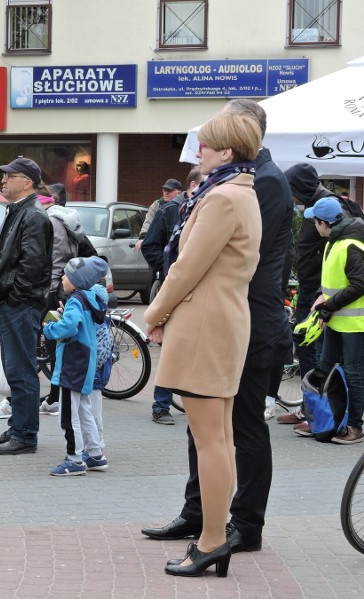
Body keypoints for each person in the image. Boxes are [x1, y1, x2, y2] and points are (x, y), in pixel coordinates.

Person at [142, 98, 294, 560]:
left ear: (230, 147)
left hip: (225, 320)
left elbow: (192, 266)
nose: (197, 150)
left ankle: (229, 532)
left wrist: (153, 315)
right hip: (227, 318)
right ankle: (208, 524)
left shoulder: (237, 191)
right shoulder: (242, 185)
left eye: (206, 142)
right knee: (215, 434)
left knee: (228, 434)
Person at [278, 163, 360, 428]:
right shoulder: (319, 205)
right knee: (314, 353)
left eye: (292, 189)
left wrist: (325, 298)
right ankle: (315, 410)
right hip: (317, 291)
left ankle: (326, 413)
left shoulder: (330, 208)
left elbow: (351, 269)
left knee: (319, 353)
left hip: (326, 298)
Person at [0, 157, 53, 455]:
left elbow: (32, 266)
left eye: (9, 176)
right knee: (15, 370)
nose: (3, 181)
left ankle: (25, 435)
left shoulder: (33, 216)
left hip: (20, 305)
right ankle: (18, 427)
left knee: (22, 371)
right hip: (14, 304)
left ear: (27, 182)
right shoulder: (21, 211)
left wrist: (12, 297)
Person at [140, 167, 203, 425]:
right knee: (171, 348)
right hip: (174, 288)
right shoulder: (169, 211)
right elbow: (150, 246)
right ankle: (161, 406)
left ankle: (194, 401)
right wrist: (170, 270)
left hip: (200, 291)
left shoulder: (209, 211)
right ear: (191, 186)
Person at [43, 256, 110, 476]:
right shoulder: (89, 298)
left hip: (73, 363)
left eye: (67, 275)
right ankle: (95, 455)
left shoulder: (74, 300)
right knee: (84, 411)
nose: (62, 278)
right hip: (86, 362)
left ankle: (74, 460)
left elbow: (70, 327)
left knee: (68, 416)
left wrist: (50, 329)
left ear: (78, 280)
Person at [38, 184, 98, 416]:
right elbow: (90, 253)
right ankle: (57, 395)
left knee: (54, 340)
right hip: (65, 286)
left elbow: (40, 257)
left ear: (49, 200)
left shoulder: (50, 222)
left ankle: (56, 397)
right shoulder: (70, 221)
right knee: (56, 343)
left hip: (50, 288)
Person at [308, 197, 364, 444]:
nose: (313, 226)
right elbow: (334, 280)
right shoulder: (333, 241)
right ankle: (327, 420)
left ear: (323, 223)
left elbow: (360, 284)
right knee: (325, 369)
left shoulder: (350, 244)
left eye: (314, 221)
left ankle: (355, 427)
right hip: (333, 319)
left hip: (354, 325)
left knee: (353, 375)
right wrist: (321, 296)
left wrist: (328, 304)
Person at [137, 179, 182, 249]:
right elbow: (148, 221)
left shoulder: (184, 205)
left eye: (169, 190)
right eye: (164, 190)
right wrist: (143, 237)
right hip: (160, 245)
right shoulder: (157, 205)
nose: (166, 193)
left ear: (179, 192)